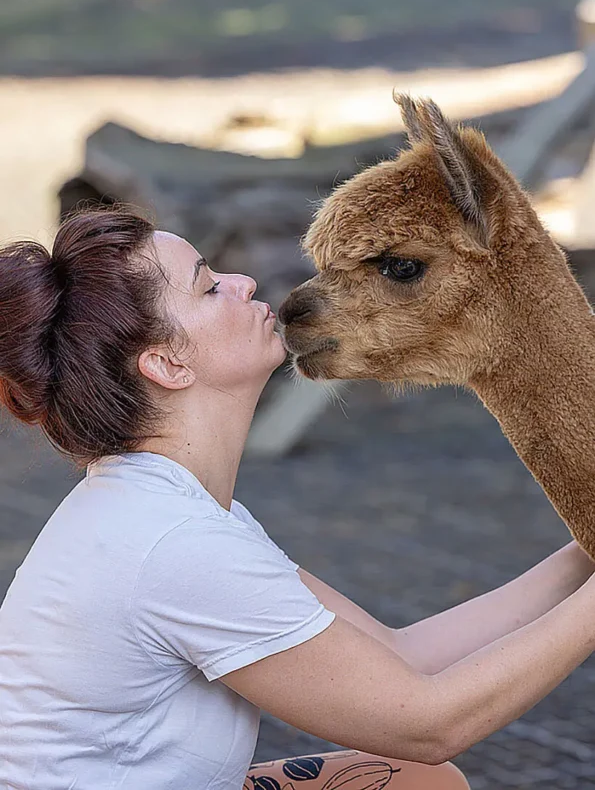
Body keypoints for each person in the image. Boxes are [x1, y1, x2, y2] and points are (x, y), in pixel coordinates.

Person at [0, 207, 594, 790]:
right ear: (167, 363)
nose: (245, 283)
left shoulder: (173, 511)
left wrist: (585, 546)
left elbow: (402, 655)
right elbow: (427, 722)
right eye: (209, 289)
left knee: (422, 783)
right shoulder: (177, 544)